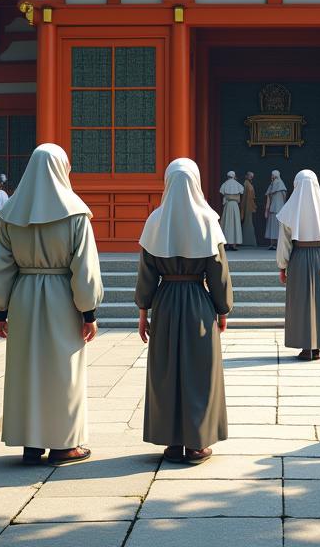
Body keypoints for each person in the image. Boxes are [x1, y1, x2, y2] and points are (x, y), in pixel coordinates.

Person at [0, 143, 103, 466]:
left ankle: (31, 444)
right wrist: (88, 311)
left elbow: (0, 266)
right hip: (62, 297)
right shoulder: (76, 213)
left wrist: (0, 310)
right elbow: (84, 268)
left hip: (24, 295)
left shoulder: (11, 214)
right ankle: (64, 445)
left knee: (27, 369)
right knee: (63, 371)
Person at [136, 158, 233, 465]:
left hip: (165, 301)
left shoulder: (155, 221)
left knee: (166, 372)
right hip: (197, 302)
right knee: (199, 372)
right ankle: (197, 443)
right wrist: (223, 309)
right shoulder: (207, 220)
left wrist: (143, 311)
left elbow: (146, 273)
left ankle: (171, 441)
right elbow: (218, 272)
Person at [276, 169, 320, 360]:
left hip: (297, 258)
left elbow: (284, 243)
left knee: (300, 302)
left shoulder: (288, 211)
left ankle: (305, 346)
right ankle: (318, 345)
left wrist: (282, 266)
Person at [218, 171, 244, 251]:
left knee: (227, 223)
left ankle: (226, 244)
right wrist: (234, 197)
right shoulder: (237, 184)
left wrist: (229, 196)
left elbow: (224, 193)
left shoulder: (225, 184)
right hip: (234, 205)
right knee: (234, 224)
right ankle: (233, 245)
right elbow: (240, 193)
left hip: (228, 205)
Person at [264, 170, 287, 250]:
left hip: (273, 208)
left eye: (272, 175)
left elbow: (268, 198)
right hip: (280, 208)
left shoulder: (272, 184)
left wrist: (266, 210)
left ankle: (272, 243)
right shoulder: (281, 184)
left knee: (272, 226)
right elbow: (284, 197)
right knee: (278, 227)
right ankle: (279, 243)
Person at [241, 171, 258, 247]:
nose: (251, 178)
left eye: (252, 176)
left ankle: (248, 241)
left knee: (249, 222)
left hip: (249, 206)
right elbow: (245, 197)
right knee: (247, 222)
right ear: (247, 176)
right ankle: (247, 241)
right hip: (247, 206)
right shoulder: (246, 184)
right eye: (250, 176)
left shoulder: (249, 184)